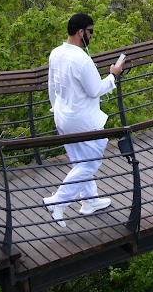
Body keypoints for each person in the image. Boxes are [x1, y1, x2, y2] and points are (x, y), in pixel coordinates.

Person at [43, 12, 128, 227]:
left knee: (80, 161)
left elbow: (52, 86)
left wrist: (56, 108)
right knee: (90, 162)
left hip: (62, 115)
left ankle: (90, 201)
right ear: (81, 32)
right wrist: (113, 75)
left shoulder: (56, 53)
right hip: (81, 118)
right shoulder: (82, 59)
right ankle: (58, 202)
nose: (92, 36)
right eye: (91, 31)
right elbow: (95, 90)